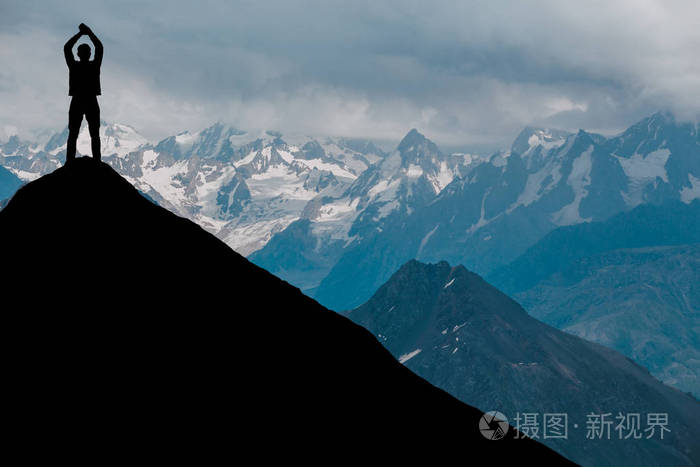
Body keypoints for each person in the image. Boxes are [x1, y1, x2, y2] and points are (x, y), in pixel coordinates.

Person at [64, 23, 103, 163]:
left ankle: (69, 161)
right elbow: (100, 47)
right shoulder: (94, 65)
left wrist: (80, 34)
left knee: (73, 133)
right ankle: (97, 161)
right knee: (95, 134)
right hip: (91, 100)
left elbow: (67, 48)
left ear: (78, 54)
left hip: (77, 100)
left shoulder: (74, 66)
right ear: (90, 54)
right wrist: (90, 33)